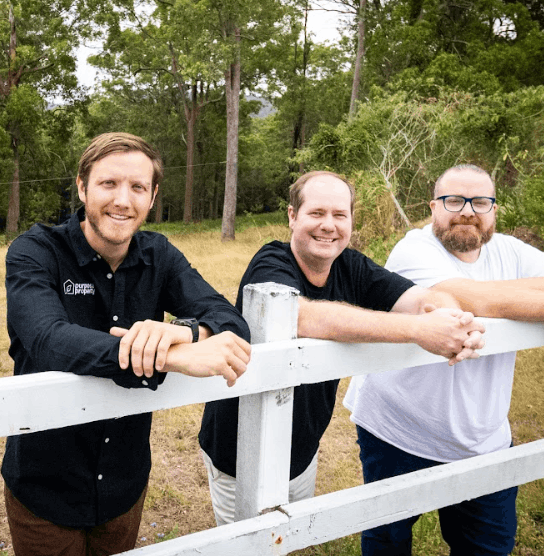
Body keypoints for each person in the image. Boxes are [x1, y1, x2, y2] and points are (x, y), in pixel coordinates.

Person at [1, 132, 252, 556]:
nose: (123, 200)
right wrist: (171, 358)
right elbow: (48, 339)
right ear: (82, 187)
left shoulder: (160, 255)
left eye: (137, 187)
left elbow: (228, 318)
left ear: (152, 197)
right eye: (108, 184)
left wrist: (185, 331)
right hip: (45, 485)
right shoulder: (35, 251)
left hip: (125, 484)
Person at [198, 170, 485, 525]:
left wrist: (453, 319)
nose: (328, 226)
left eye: (339, 215)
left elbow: (420, 298)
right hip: (240, 451)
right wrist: (417, 330)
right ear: (292, 216)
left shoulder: (351, 265)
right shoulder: (270, 263)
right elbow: (301, 316)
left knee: (287, 538)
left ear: (351, 220)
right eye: (316, 213)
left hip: (302, 448)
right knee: (247, 547)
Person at [345, 163, 544, 556]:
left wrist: (521, 296)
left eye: (480, 201)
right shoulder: (414, 249)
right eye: (454, 200)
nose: (467, 211)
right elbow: (469, 298)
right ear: (432, 207)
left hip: (483, 437)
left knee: (489, 547)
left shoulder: (508, 250)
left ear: (494, 209)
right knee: (388, 541)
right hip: (399, 429)